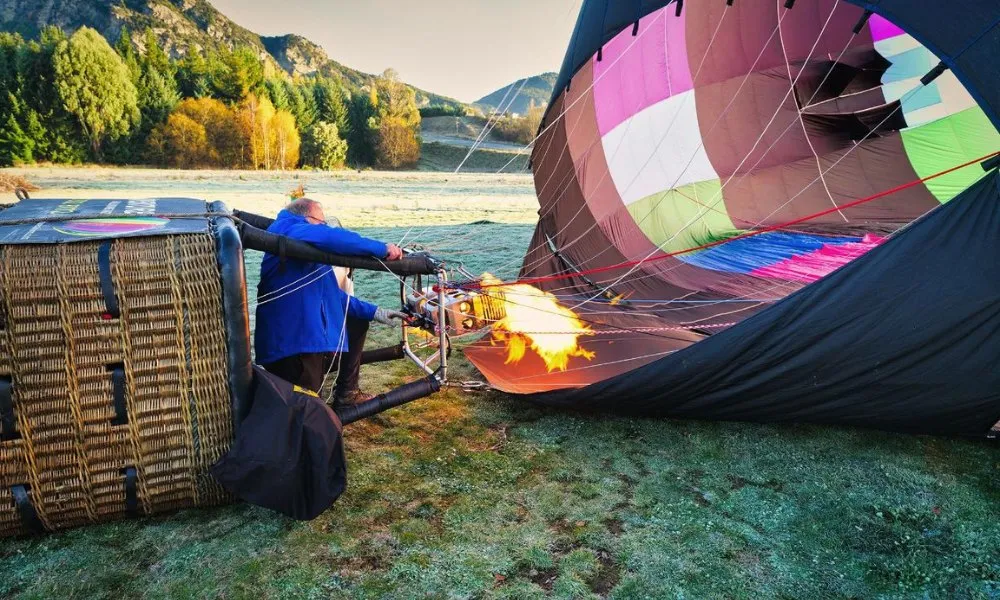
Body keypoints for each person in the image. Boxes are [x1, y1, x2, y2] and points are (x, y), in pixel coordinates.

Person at [254, 198, 406, 406]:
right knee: (306, 413)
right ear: (308, 218)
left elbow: (331, 295)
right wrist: (381, 248)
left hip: (303, 339)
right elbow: (331, 237)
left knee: (356, 322)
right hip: (294, 344)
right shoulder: (288, 228)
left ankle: (347, 393)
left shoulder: (300, 247)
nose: (324, 226)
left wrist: (376, 312)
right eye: (322, 222)